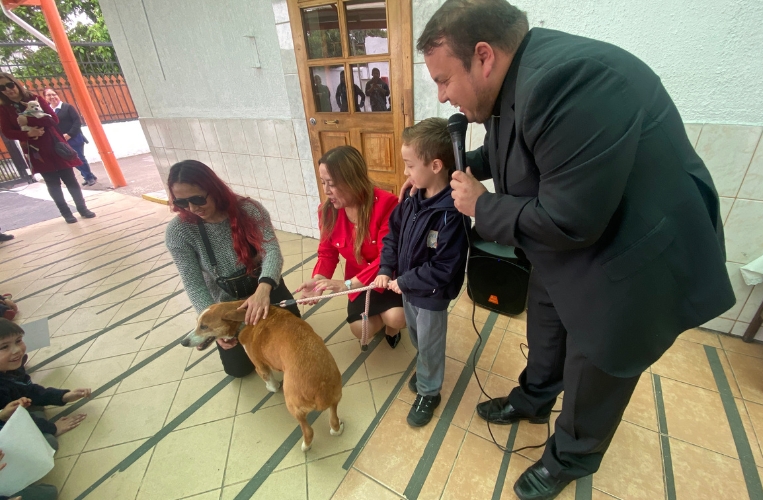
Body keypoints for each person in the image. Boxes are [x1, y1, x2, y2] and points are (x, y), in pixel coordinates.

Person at [417, 1, 736, 499]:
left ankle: (571, 455)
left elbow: (570, 220)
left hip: (628, 261)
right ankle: (535, 398)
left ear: (483, 57)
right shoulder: (514, 80)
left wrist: (482, 206)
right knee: (546, 328)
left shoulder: (569, 81)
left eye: (443, 80)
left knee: (596, 367)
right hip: (568, 246)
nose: (441, 96)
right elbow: (519, 147)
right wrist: (455, 164)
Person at [165, 160, 300, 378]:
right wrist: (213, 324)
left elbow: (271, 251)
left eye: (198, 199)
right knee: (239, 370)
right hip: (225, 302)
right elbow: (193, 282)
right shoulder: (178, 232)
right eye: (182, 203)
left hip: (264, 287)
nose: (192, 209)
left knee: (293, 344)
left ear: (214, 190)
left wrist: (263, 291)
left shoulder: (248, 209)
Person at [374, 118, 469, 427]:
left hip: (430, 293)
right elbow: (392, 235)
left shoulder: (452, 214)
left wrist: (406, 280)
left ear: (436, 165)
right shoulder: (413, 200)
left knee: (429, 343)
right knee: (416, 336)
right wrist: (387, 268)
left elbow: (445, 267)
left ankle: (430, 391)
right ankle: (427, 369)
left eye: (410, 165)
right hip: (408, 289)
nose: (405, 173)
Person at [296, 145, 405, 347]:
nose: (326, 191)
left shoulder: (387, 204)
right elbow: (327, 253)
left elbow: (387, 257)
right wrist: (319, 280)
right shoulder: (327, 211)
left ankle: (391, 325)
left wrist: (346, 285)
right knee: (361, 330)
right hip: (357, 280)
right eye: (323, 183)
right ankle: (381, 317)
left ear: (353, 181)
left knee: (397, 317)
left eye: (332, 184)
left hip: (387, 276)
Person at [0, 73, 95, 224]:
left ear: (15, 83)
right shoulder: (4, 109)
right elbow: (7, 132)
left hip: (55, 145)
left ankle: (82, 208)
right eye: (2, 88)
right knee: (52, 183)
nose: (8, 89)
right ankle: (66, 213)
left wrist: (27, 119)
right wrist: (28, 133)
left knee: (70, 179)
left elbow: (53, 119)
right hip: (35, 150)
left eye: (9, 85)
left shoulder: (35, 98)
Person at [0, 319, 90, 452]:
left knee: (31, 404)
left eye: (18, 341)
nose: (17, 350)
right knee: (49, 443)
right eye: (3, 347)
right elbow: (15, 420)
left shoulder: (13, 369)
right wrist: (53, 428)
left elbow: (30, 390)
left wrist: (64, 396)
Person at [43, 88, 97, 187]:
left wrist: (69, 134)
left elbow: (77, 122)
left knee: (79, 158)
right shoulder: (48, 111)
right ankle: (88, 175)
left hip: (74, 138)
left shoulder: (67, 107)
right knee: (69, 159)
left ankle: (89, 177)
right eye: (49, 95)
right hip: (60, 141)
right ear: (45, 98)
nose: (52, 97)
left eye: (54, 94)